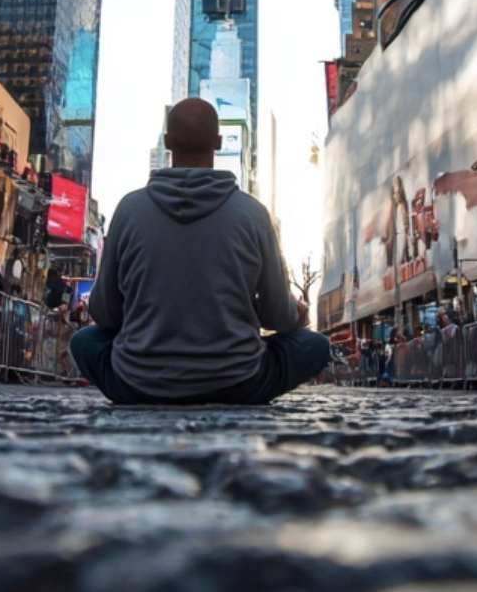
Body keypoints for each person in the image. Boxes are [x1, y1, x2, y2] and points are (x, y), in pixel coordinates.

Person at [71, 98, 329, 405]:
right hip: (240, 383)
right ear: (219, 142)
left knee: (84, 340)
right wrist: (295, 313)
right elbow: (278, 317)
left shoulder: (129, 209)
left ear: (167, 142)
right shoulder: (253, 213)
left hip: (137, 383)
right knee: (316, 345)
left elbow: (104, 313)